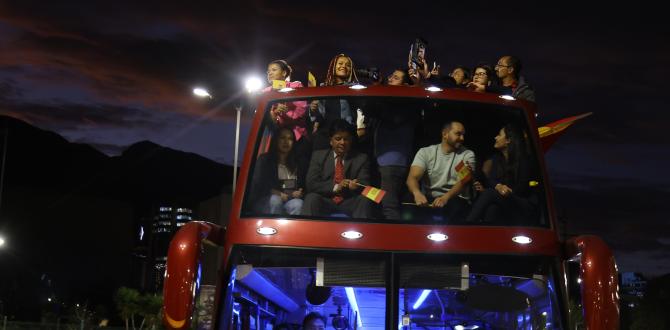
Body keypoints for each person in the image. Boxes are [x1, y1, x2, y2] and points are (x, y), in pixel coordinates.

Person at [359, 69, 417, 220]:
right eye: (390, 75)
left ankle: (396, 240)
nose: (390, 79)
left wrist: (378, 90)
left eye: (396, 78)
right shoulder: (387, 100)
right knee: (377, 202)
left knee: (389, 206)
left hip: (393, 162)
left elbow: (390, 116)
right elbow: (368, 109)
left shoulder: (405, 103)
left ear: (405, 85)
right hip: (381, 160)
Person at [302, 119, 373, 218]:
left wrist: (356, 186)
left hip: (349, 201)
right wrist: (336, 187)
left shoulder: (361, 158)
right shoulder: (318, 156)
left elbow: (365, 185)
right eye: (338, 139)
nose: (342, 142)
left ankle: (361, 232)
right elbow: (311, 184)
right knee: (311, 198)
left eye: (346, 139)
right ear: (331, 141)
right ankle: (308, 233)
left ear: (351, 140)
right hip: (326, 200)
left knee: (365, 199)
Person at [466, 124, 536, 223]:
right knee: (492, 209)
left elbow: (523, 187)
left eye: (499, 135)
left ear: (508, 140)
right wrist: (498, 186)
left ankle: (469, 224)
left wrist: (507, 191)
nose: (496, 137)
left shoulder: (524, 160)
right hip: (503, 200)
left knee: (489, 194)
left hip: (521, 202)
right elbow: (491, 180)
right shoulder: (497, 159)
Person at [406, 121, 476, 221]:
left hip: (455, 198)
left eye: (463, 135)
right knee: (409, 201)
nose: (462, 138)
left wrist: (445, 197)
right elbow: (412, 178)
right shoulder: (426, 152)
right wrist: (417, 193)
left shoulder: (467, 154)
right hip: (430, 198)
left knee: (456, 207)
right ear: (445, 134)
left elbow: (463, 181)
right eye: (458, 134)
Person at [249, 127, 306, 215]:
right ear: (276, 140)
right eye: (282, 138)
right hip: (266, 199)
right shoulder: (265, 159)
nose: (286, 142)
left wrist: (299, 192)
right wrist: (275, 192)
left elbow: (293, 184)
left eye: (290, 139)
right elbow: (257, 184)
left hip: (289, 199)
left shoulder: (297, 163)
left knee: (299, 204)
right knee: (275, 200)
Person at [309, 54, 359, 150]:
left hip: (347, 136)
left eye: (348, 65)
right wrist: (312, 108)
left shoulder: (355, 88)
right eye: (340, 63)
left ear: (351, 70)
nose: (344, 66)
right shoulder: (322, 88)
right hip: (325, 136)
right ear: (333, 67)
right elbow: (316, 118)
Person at [262, 60, 309, 141]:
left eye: (274, 70)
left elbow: (303, 109)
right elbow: (261, 114)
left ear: (284, 73)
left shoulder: (296, 85)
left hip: (297, 135)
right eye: (268, 71)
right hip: (275, 136)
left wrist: (286, 112)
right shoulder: (265, 92)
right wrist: (274, 112)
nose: (270, 73)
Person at [471, 55, 535, 102]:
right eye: (496, 66)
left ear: (510, 70)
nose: (496, 68)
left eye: (500, 66)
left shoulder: (525, 92)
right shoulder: (492, 85)